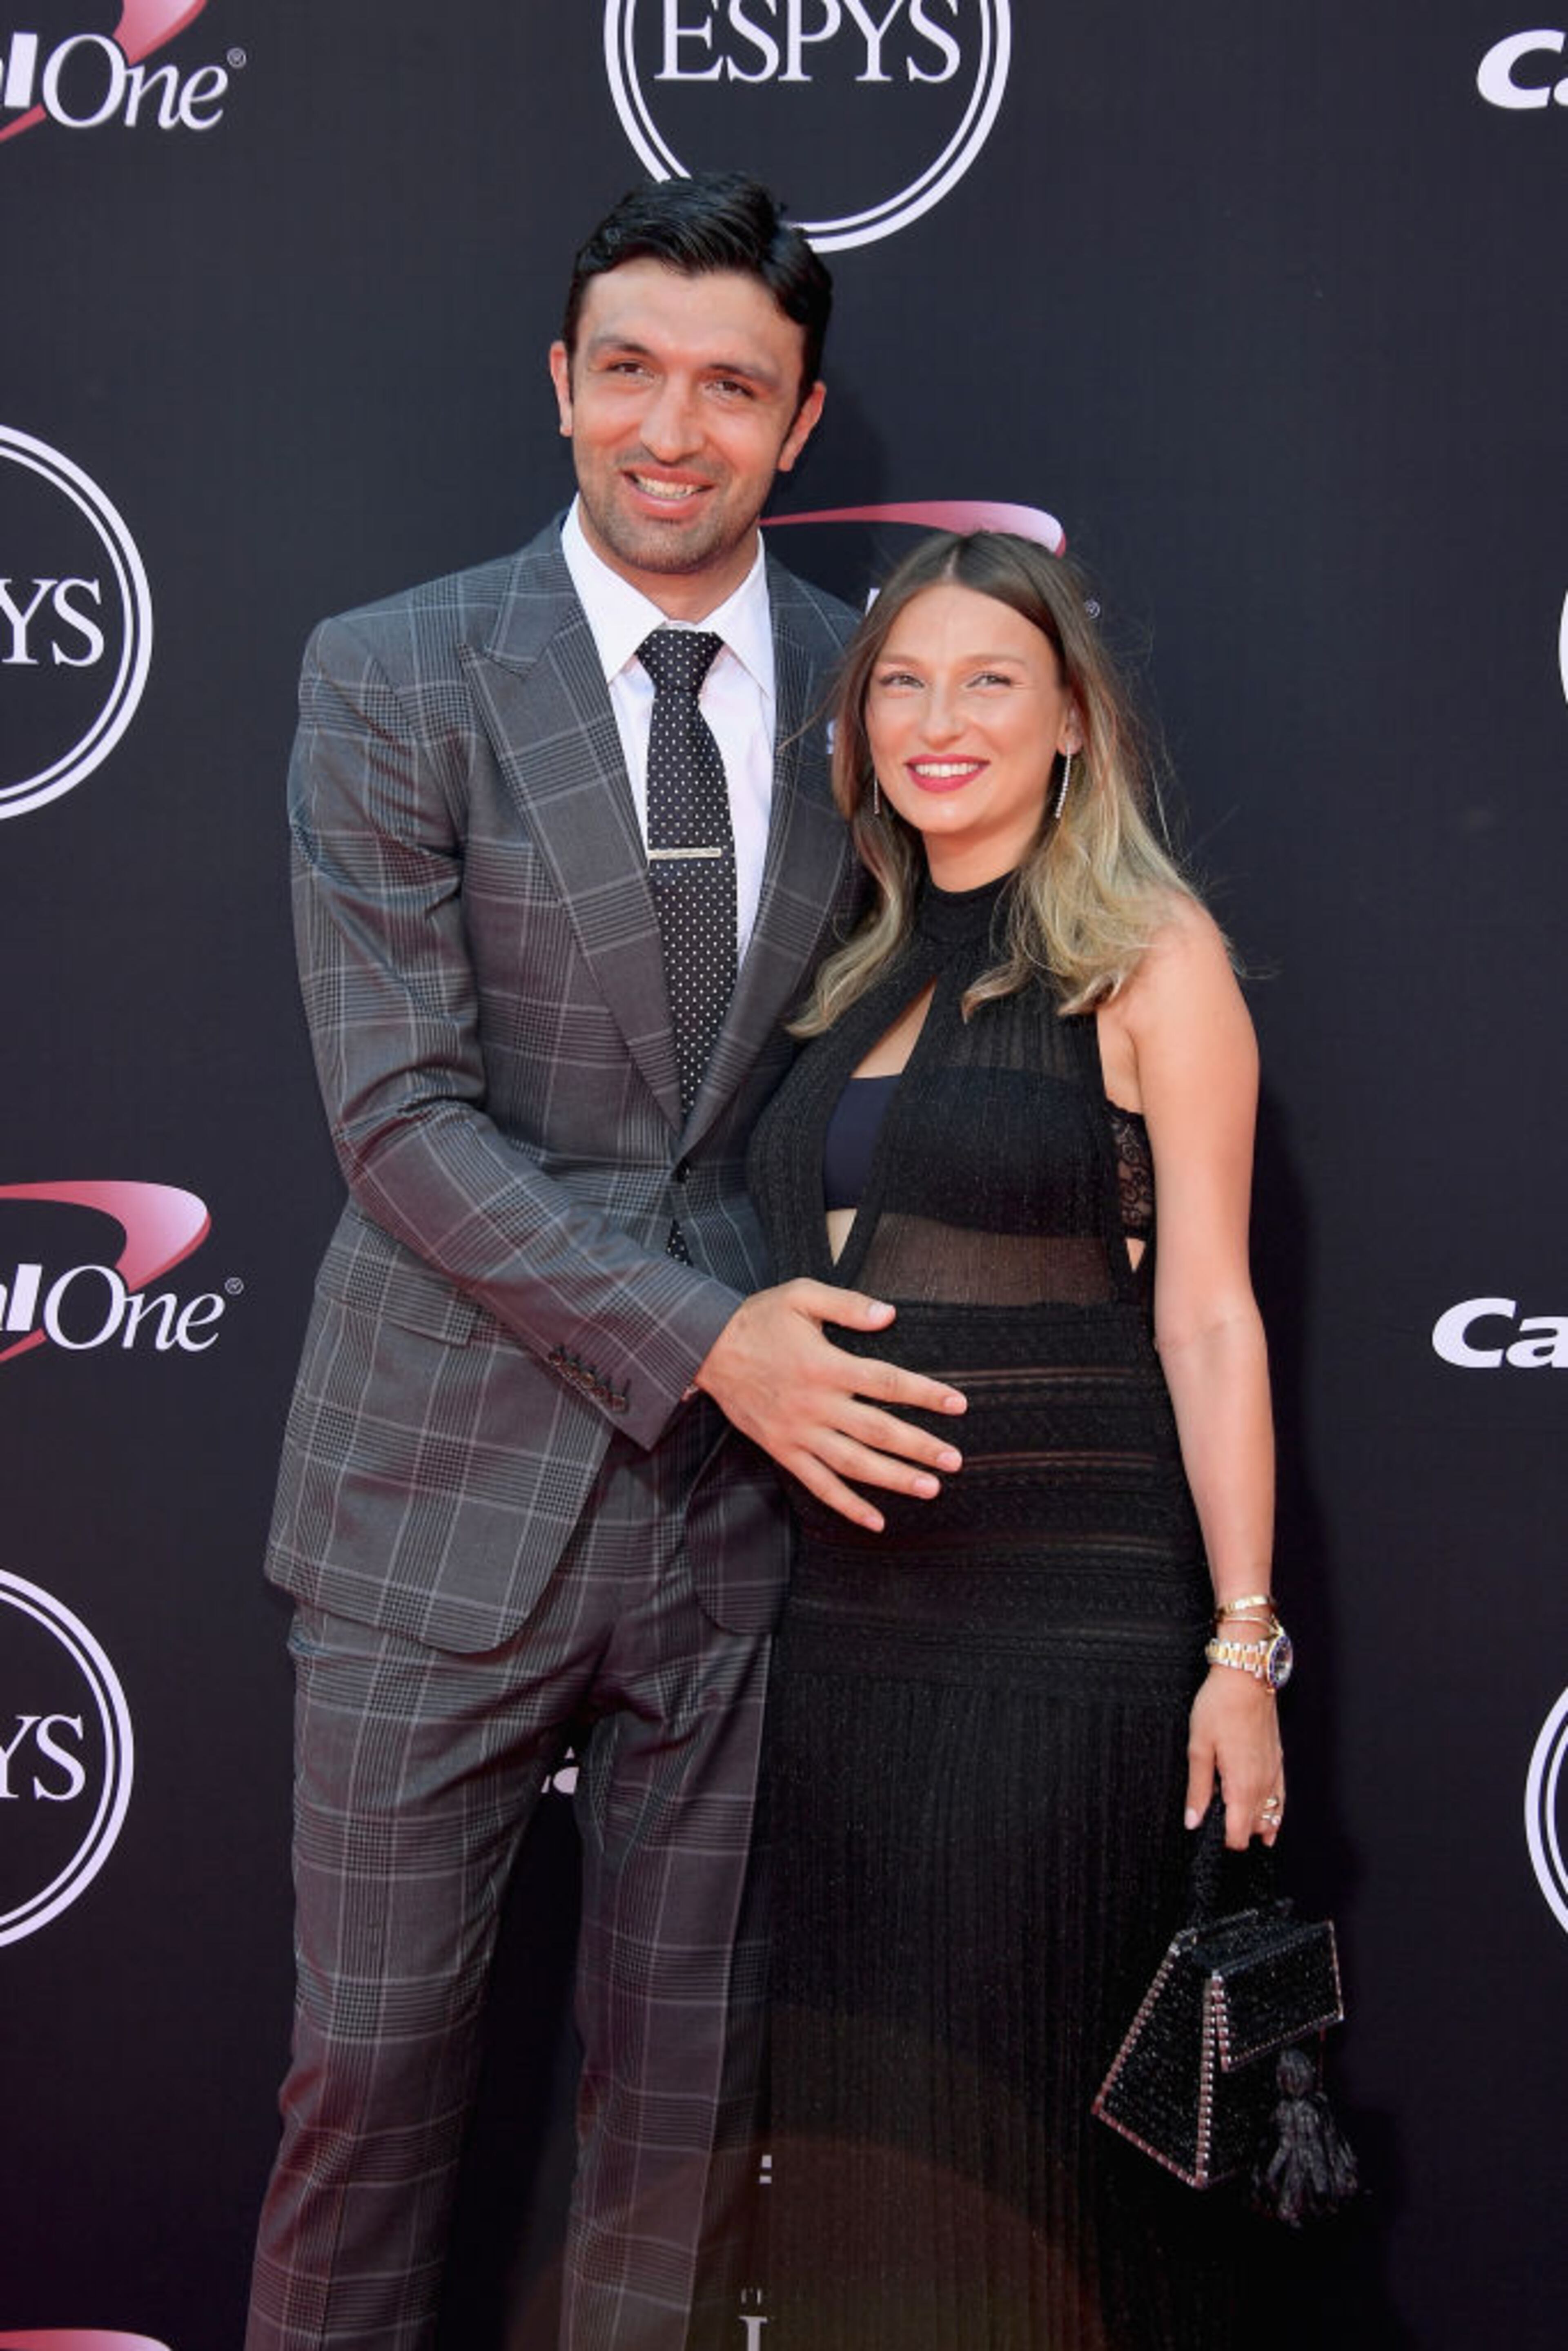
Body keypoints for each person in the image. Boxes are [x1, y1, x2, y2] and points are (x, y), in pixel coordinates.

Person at [246, 176, 967, 2351]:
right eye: (632, 371)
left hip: (737, 1530)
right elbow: (397, 1119)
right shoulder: (394, 673)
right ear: (562, 383)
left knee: (682, 2128)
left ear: (801, 422)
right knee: (369, 2087)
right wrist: (712, 1343)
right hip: (430, 1499)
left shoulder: (870, 689)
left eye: (733, 387)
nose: (675, 428)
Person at [747, 528, 1285, 2348]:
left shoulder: (1149, 956)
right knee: (872, 2150)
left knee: (1027, 2150)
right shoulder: (845, 968)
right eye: (902, 683)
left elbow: (1208, 1316)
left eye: (990, 680)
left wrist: (1242, 1647)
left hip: (1062, 1648)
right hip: (843, 1646)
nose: (939, 721)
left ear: (1070, 718)